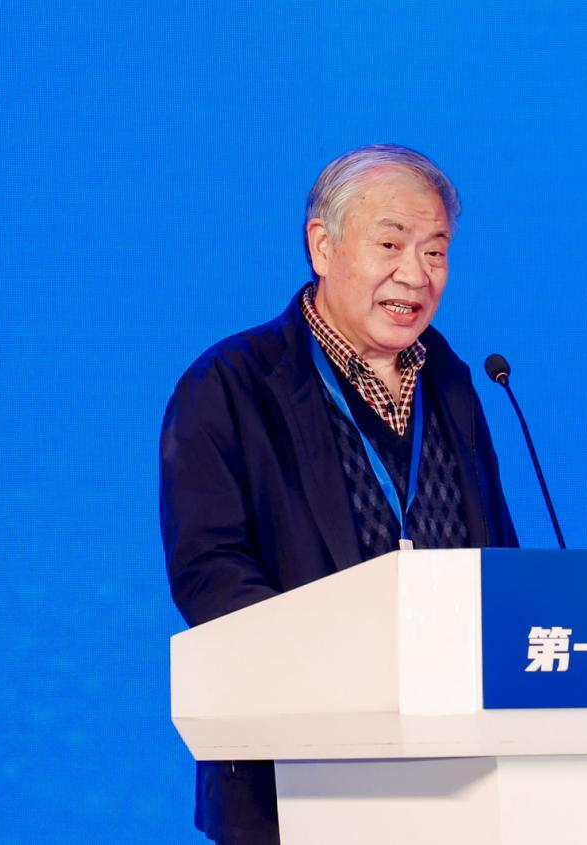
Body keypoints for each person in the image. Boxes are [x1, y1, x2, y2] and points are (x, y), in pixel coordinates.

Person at [159, 144, 519, 844]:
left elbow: (497, 560)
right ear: (323, 247)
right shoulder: (229, 384)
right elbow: (210, 573)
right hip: (297, 782)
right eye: (390, 244)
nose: (415, 273)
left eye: (435, 251)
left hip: (456, 780)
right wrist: (344, 674)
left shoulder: (452, 382)